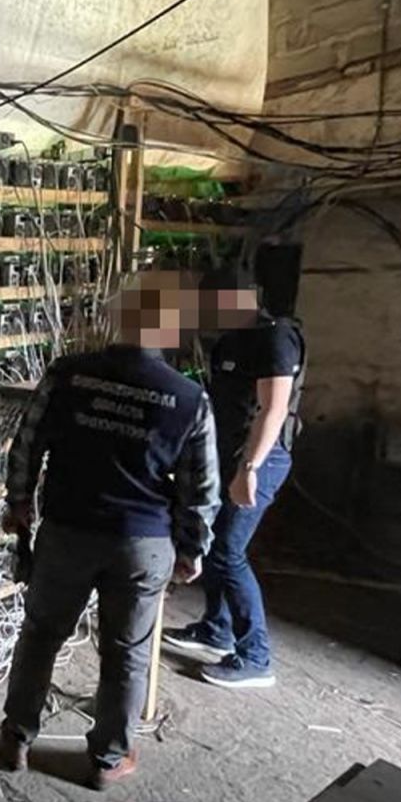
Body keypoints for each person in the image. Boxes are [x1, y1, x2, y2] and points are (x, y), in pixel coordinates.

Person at [0, 274, 219, 788]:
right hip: (143, 543)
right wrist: (192, 548)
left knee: (41, 635)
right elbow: (201, 488)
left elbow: (27, 444)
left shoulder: (68, 374)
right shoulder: (189, 399)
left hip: (68, 531)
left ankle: (16, 736)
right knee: (127, 652)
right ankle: (108, 759)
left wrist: (19, 503)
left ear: (116, 316)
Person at [162, 268, 305, 690]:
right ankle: (216, 629)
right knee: (210, 541)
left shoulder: (276, 338)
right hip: (226, 454)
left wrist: (250, 469)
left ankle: (256, 656)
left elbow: (273, 410)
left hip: (262, 458)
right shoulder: (229, 340)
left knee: (227, 551)